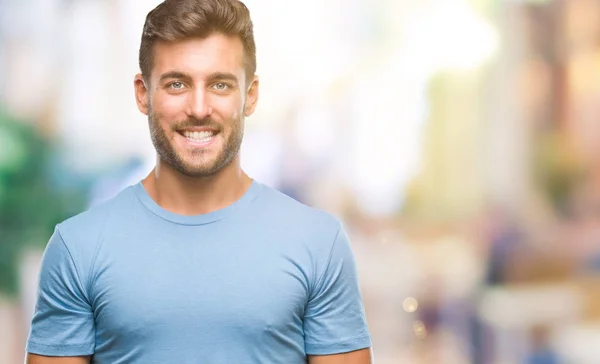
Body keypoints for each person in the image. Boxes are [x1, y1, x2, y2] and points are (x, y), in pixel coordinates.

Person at [25, 0, 373, 363]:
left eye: (220, 85)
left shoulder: (318, 243)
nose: (199, 108)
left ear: (249, 96)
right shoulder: (78, 247)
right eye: (177, 84)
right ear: (143, 94)